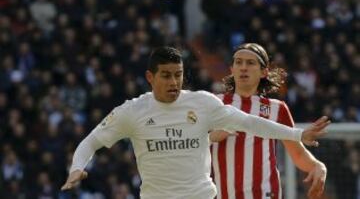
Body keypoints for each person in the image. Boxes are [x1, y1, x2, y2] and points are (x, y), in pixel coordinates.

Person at [61, 46, 330, 199]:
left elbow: (250, 123)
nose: (174, 82)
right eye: (166, 76)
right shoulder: (134, 111)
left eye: (178, 75)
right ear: (150, 77)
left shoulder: (205, 104)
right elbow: (92, 141)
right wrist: (76, 168)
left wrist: (298, 136)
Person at [210, 43, 327, 199]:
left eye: (250, 63)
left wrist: (317, 165)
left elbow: (297, 154)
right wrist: (213, 136)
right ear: (232, 70)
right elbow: (195, 143)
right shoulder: (214, 104)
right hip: (222, 194)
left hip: (265, 193)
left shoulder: (277, 108)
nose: (243, 67)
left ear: (264, 72)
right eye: (238, 62)